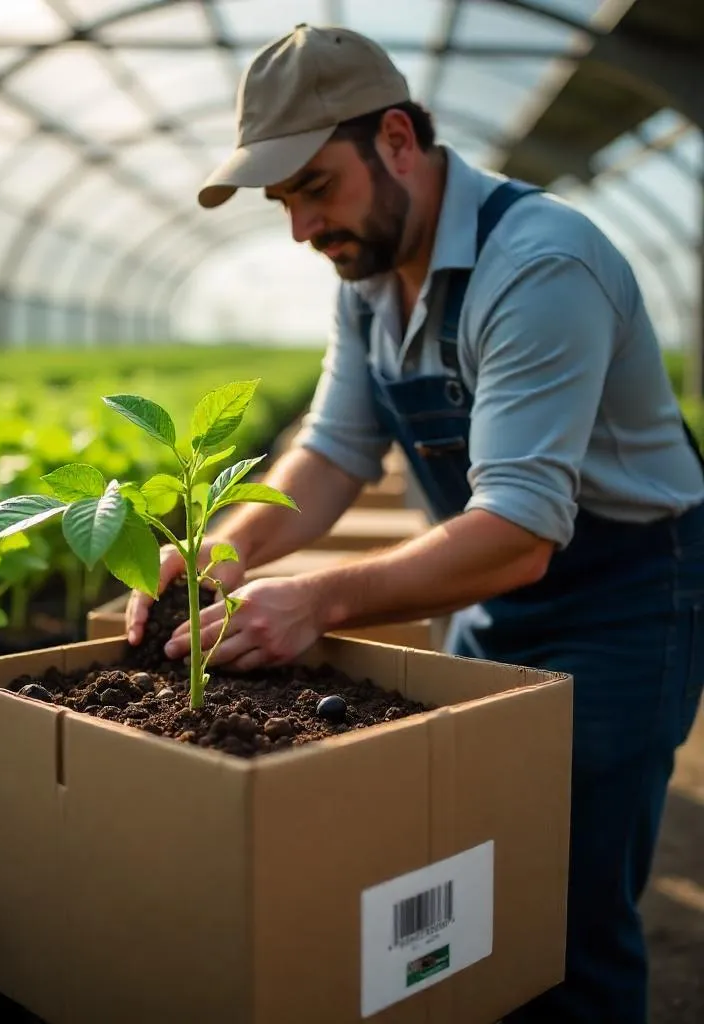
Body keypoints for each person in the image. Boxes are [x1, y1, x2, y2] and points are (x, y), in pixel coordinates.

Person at [124, 22, 704, 1024]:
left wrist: (318, 599)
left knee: (565, 900)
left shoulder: (540, 264)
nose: (301, 229)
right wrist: (224, 547)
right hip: (484, 591)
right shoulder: (369, 278)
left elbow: (519, 531)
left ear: (397, 138)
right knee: (465, 871)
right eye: (282, 201)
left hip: (625, 596)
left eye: (314, 186)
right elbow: (334, 450)